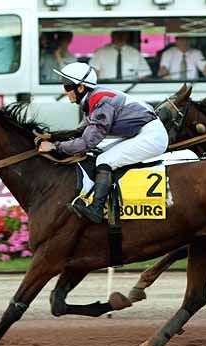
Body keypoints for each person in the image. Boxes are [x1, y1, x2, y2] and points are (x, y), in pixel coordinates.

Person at [37, 62, 168, 224]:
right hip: (141, 132)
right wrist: (51, 136)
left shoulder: (100, 102)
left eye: (67, 86)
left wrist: (55, 146)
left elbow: (87, 142)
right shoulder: (92, 98)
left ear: (80, 88)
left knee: (103, 160)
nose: (64, 91)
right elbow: (80, 131)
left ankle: (97, 209)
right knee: (99, 155)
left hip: (151, 136)